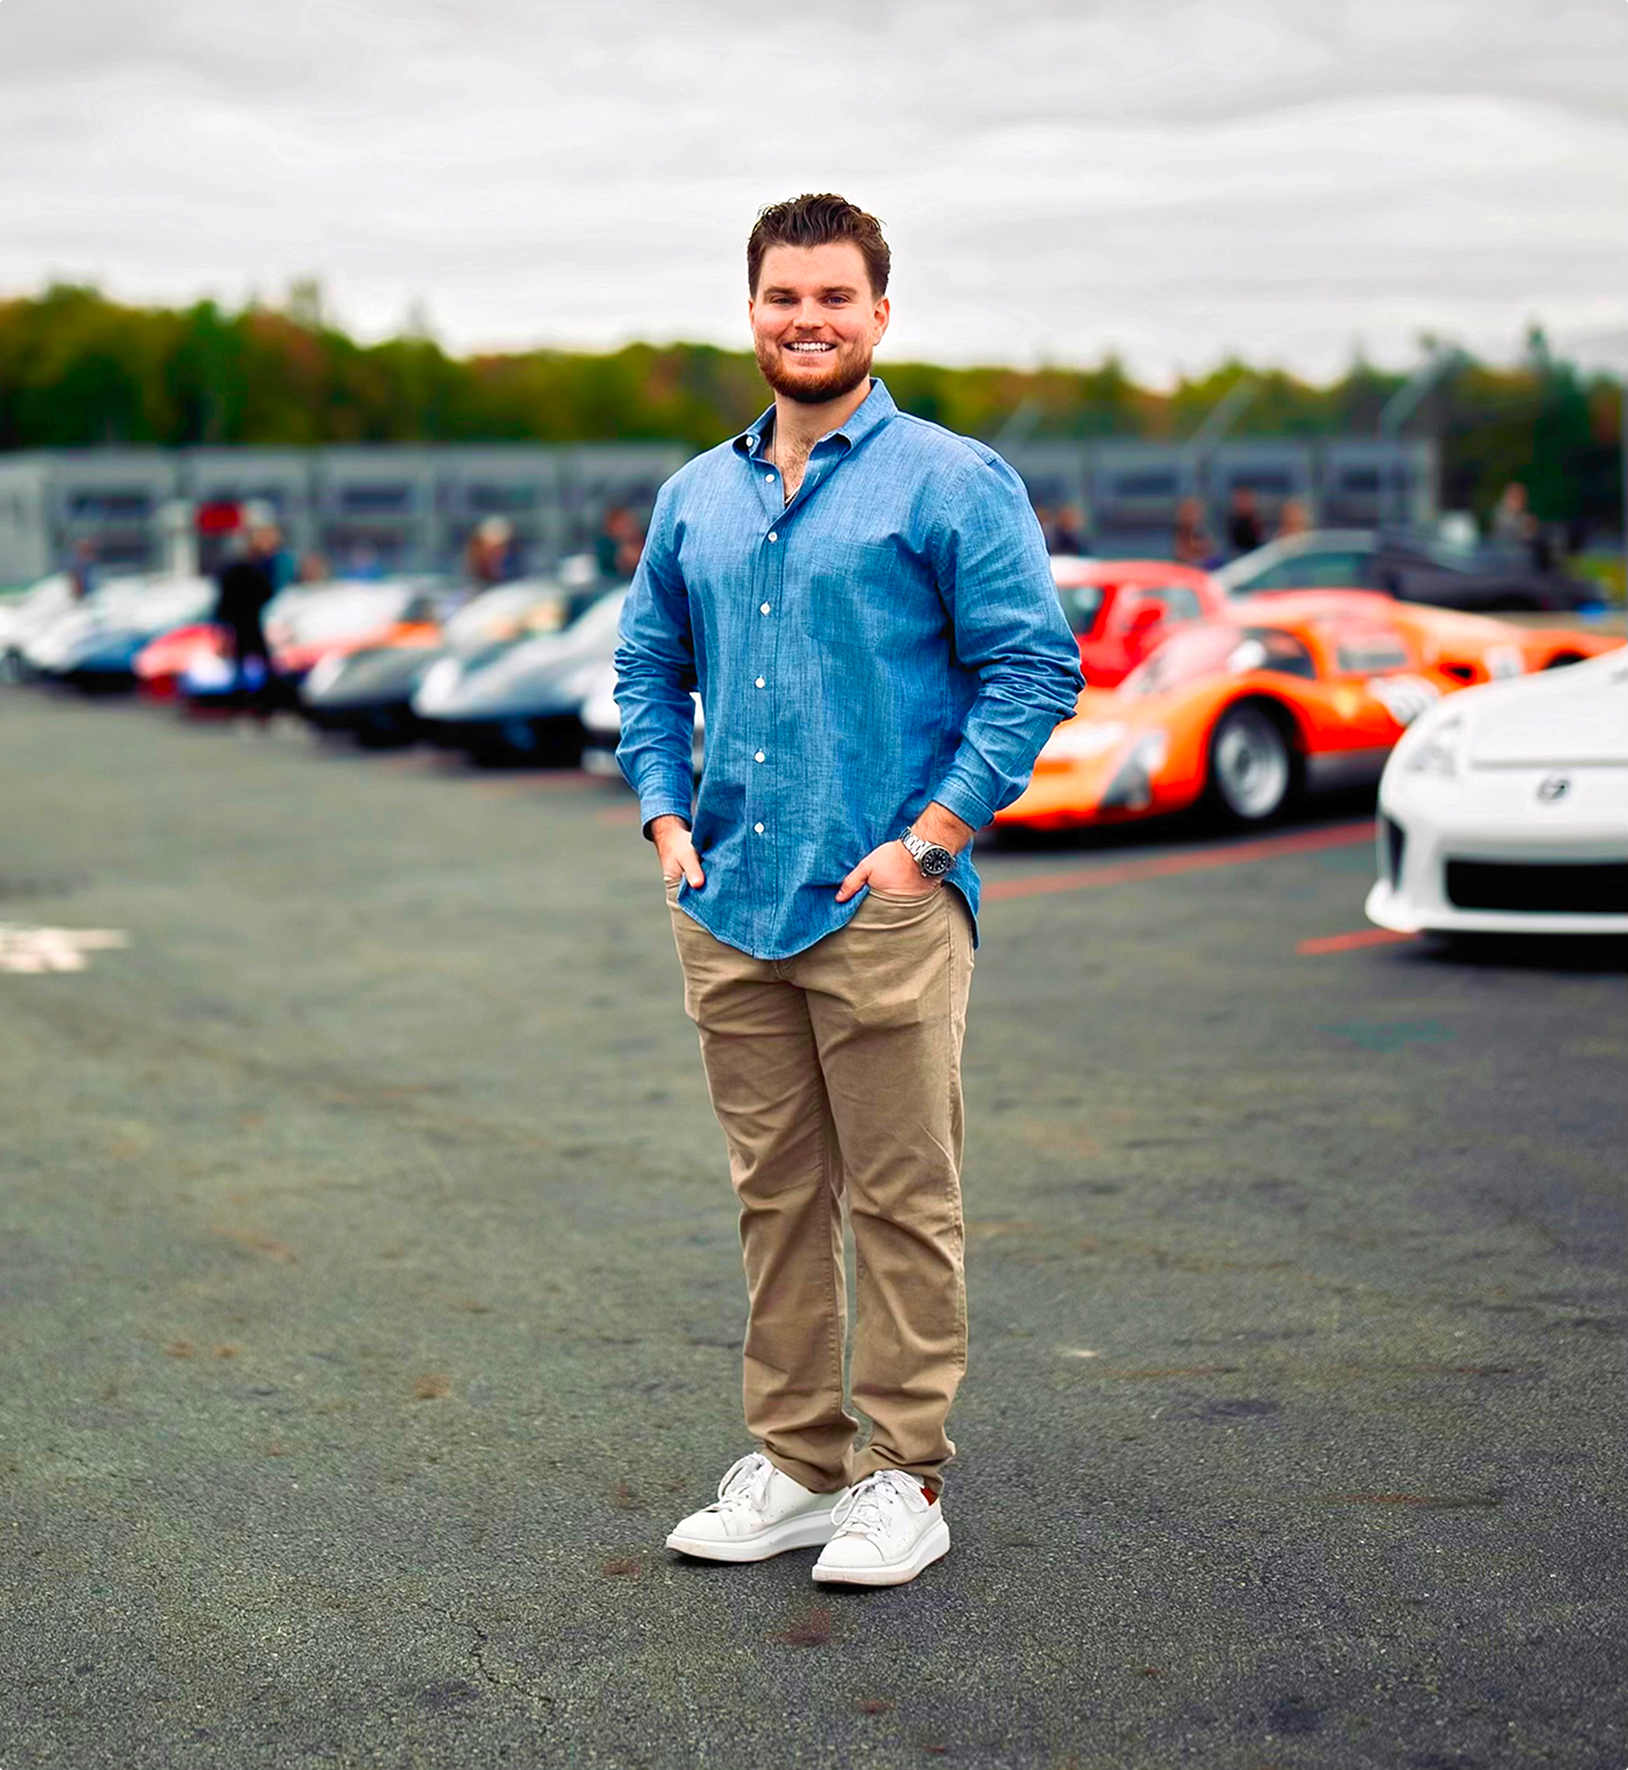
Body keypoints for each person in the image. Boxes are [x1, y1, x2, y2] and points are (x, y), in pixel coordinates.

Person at [614, 193, 1083, 1589]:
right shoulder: (694, 495)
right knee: (775, 1196)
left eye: (833, 297)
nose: (805, 319)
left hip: (883, 902)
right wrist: (661, 813)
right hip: (731, 902)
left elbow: (1032, 667)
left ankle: (901, 1475)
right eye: (781, 297)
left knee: (900, 1198)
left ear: (880, 313)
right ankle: (799, 1463)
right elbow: (648, 666)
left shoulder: (951, 479)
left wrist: (927, 839)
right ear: (750, 312)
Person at [214, 523, 280, 719]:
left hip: (240, 625)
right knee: (262, 665)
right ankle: (263, 704)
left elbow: (223, 601)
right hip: (254, 624)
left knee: (241, 667)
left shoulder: (232, 570)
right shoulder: (261, 569)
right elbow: (269, 594)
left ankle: (241, 705)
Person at [1172, 496, 1211, 566]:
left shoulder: (1204, 535)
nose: (1192, 516)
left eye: (1194, 512)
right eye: (1188, 513)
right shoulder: (1178, 536)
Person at [1226, 485, 1264, 556]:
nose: (1243, 504)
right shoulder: (1230, 523)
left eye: (1246, 500)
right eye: (1240, 500)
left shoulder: (1258, 522)